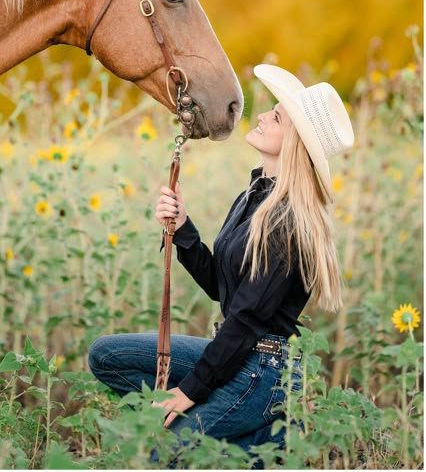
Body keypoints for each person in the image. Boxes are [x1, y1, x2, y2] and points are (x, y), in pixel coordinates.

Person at [88, 64, 354, 455]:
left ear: (294, 141)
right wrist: (182, 229)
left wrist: (189, 391)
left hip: (263, 371)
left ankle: (266, 431)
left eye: (276, 116)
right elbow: (221, 288)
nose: (262, 115)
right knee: (107, 355)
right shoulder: (255, 196)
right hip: (238, 354)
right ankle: (255, 442)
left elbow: (246, 319)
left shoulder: (288, 220)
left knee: (166, 455)